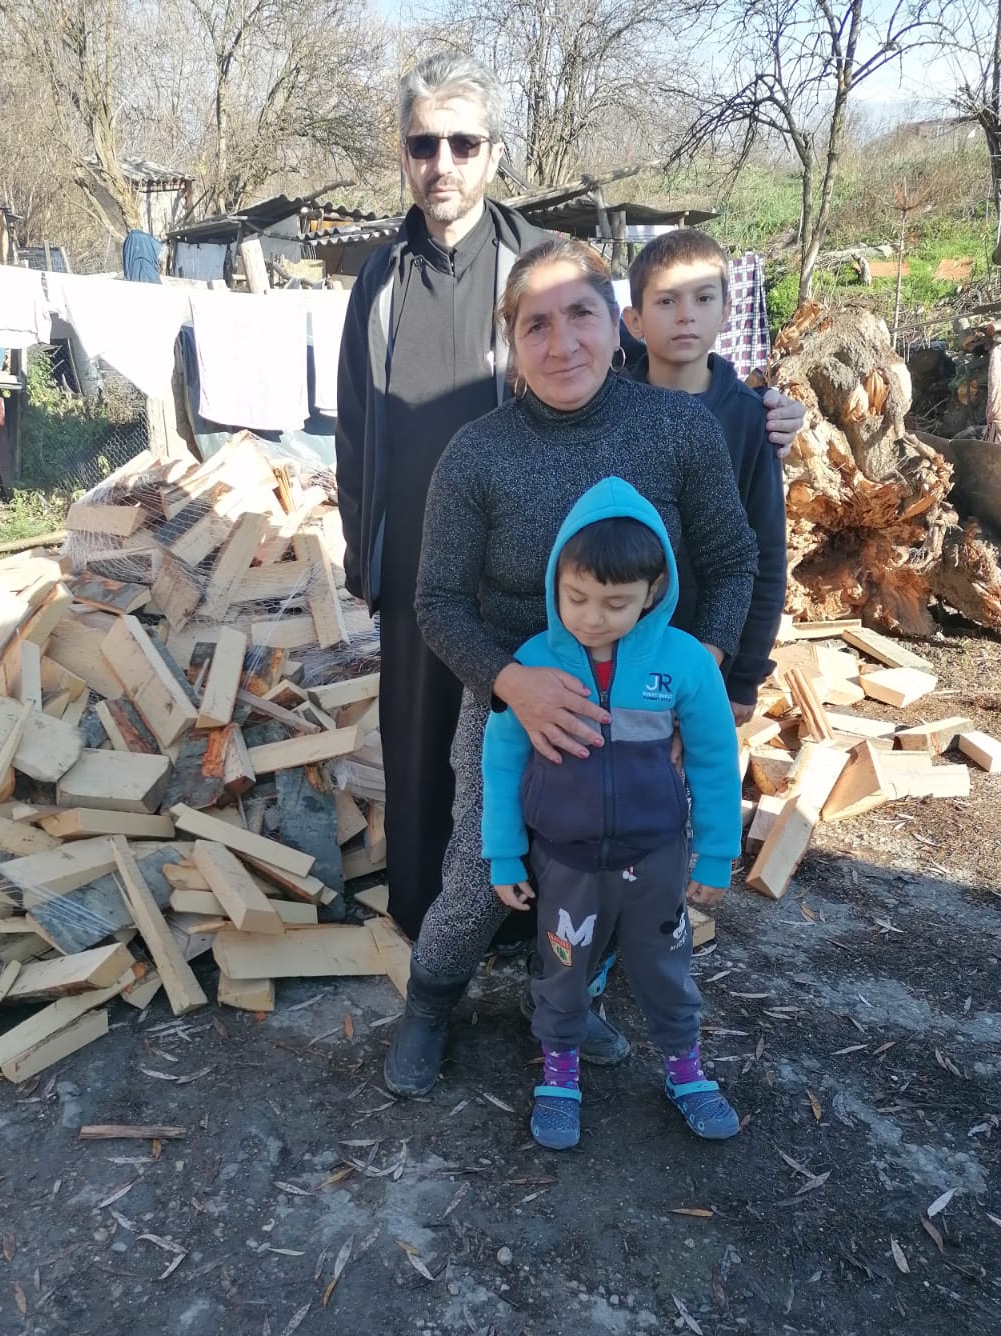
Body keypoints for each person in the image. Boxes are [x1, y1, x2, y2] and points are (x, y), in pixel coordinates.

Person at [335, 52, 803, 946]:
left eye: (463, 143)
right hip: (427, 571)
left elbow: (628, 377)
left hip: (556, 574)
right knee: (432, 755)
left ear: (493, 152)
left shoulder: (536, 261)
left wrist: (749, 411)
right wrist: (369, 555)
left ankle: (549, 939)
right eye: (423, 144)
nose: (442, 162)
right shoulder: (380, 278)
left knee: (564, 760)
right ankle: (435, 925)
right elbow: (356, 426)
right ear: (403, 154)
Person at [385, 235, 757, 1097]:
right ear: (511, 341)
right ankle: (429, 1004)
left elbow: (732, 560)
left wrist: (691, 680)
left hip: (644, 700)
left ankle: (564, 1000)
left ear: (614, 323)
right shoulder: (478, 454)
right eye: (536, 325)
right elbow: (438, 601)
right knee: (481, 873)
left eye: (580, 315)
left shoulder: (677, 429)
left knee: (623, 867)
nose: (561, 345)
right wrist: (512, 685)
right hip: (514, 697)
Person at [481, 480, 743, 1150]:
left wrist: (716, 854)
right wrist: (504, 854)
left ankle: (686, 1071)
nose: (592, 618)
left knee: (665, 967)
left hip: (656, 859)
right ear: (556, 581)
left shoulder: (685, 663)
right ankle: (559, 1076)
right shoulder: (533, 664)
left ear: (654, 591)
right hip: (565, 862)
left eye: (616, 603)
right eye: (576, 598)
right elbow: (502, 763)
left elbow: (715, 758)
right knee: (562, 969)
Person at [622, 228, 787, 721]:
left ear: (727, 310)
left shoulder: (752, 420)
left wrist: (744, 676)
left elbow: (767, 553)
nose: (686, 315)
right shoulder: (611, 413)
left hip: (710, 660)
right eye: (666, 300)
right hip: (615, 654)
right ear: (634, 320)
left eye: (703, 298)